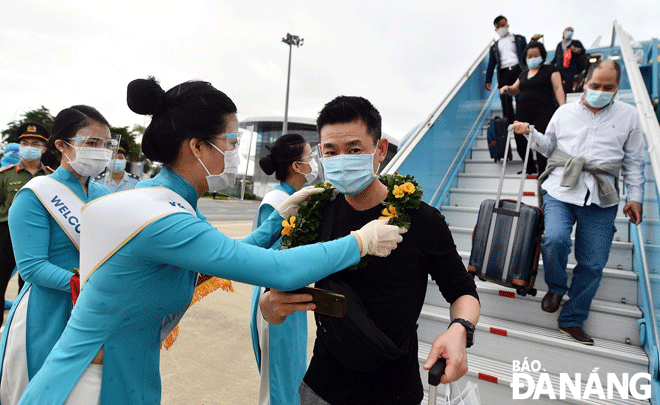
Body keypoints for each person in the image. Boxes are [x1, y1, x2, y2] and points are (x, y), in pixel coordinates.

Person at [17, 78, 405, 405]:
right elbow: (275, 269)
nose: (235, 155)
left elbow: (228, 254)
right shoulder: (163, 218)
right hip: (89, 387)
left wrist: (279, 218)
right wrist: (361, 241)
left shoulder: (166, 200)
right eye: (231, 143)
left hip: (120, 373)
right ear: (198, 146)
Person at [260, 96, 481, 405]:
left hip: (394, 392)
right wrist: (271, 307)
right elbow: (273, 298)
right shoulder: (316, 214)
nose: (341, 160)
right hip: (320, 389)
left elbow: (463, 292)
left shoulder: (422, 220)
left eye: (354, 150)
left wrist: (461, 328)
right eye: (330, 152)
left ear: (381, 150)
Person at [512, 60, 645, 345]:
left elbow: (634, 162)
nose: (600, 91)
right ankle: (557, 287)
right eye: (595, 85)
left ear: (616, 88)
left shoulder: (630, 116)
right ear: (584, 83)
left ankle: (572, 318)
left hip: (601, 194)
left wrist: (635, 197)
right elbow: (549, 147)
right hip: (561, 187)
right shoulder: (564, 112)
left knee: (593, 262)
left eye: (607, 87)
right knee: (555, 239)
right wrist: (530, 133)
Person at [0, 109, 114, 405]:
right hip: (46, 312)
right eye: (91, 143)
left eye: (106, 144)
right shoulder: (35, 194)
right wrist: (86, 285)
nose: (101, 152)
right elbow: (33, 268)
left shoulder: (105, 195)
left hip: (93, 310)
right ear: (62, 145)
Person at [249, 133, 319, 405]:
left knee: (291, 378)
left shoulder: (298, 198)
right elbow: (270, 257)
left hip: (291, 297)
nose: (313, 162)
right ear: (296, 167)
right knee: (279, 384)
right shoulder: (277, 201)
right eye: (309, 157)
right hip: (275, 299)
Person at [0, 123, 55, 324]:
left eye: (35, 143)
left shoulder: (51, 176)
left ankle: (26, 325)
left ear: (44, 148)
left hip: (39, 235)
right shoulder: (5, 175)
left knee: (31, 285)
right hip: (6, 234)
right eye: (24, 142)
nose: (29, 146)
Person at [501, 41, 565, 174]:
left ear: (542, 55)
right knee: (520, 141)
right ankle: (529, 168)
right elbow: (515, 89)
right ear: (525, 58)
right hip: (523, 112)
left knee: (543, 143)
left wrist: (563, 108)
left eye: (535, 55)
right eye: (529, 56)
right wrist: (507, 88)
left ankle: (543, 172)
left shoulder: (550, 69)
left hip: (543, 112)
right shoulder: (523, 74)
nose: (532, 58)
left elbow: (558, 88)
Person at [485, 15, 540, 124]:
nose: (501, 27)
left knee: (521, 98)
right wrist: (488, 80)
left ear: (507, 24)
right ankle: (509, 125)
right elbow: (491, 64)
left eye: (503, 24)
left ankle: (523, 122)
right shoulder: (494, 46)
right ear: (495, 29)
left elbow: (527, 52)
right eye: (498, 26)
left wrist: (533, 40)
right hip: (504, 73)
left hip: (518, 71)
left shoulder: (519, 39)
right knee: (505, 101)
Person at [553, 27, 587, 96]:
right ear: (563, 32)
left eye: (571, 31)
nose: (570, 32)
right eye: (568, 30)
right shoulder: (559, 45)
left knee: (569, 86)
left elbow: (582, 51)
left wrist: (575, 49)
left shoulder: (576, 43)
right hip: (560, 69)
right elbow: (556, 57)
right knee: (559, 85)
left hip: (571, 69)